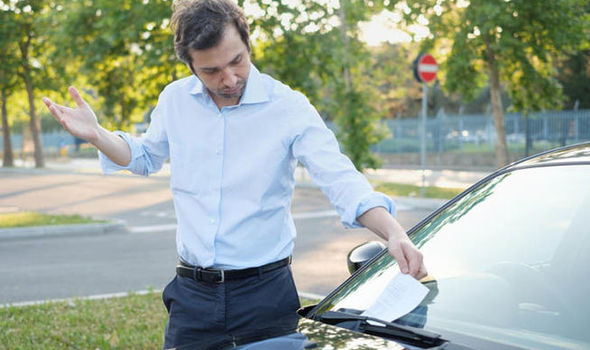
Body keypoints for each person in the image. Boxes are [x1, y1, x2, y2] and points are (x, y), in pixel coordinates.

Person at [43, 0, 427, 348]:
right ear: (190, 64)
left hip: (266, 296)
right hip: (192, 298)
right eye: (211, 70)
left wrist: (393, 233)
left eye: (237, 61)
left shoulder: (288, 107)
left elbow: (341, 180)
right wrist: (98, 135)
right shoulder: (175, 100)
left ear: (247, 43)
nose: (228, 79)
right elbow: (144, 156)